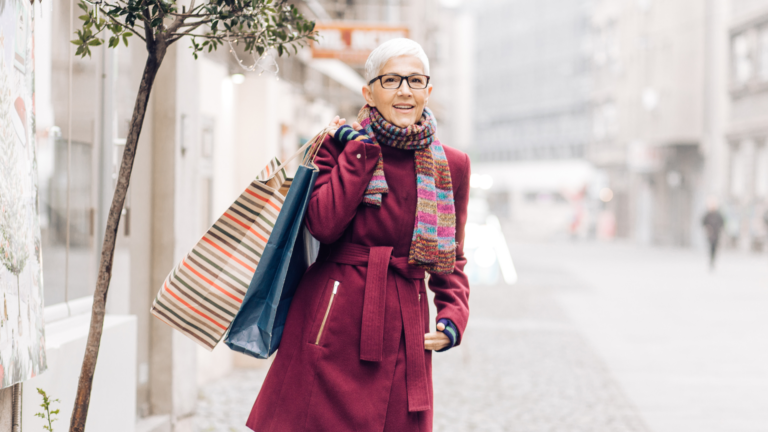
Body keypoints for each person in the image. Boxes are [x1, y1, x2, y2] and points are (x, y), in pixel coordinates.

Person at [245, 38, 471, 432]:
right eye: (392, 80)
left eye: (415, 80)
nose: (405, 91)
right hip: (333, 316)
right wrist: (359, 156)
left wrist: (453, 316)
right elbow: (323, 224)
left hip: (404, 323)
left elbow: (450, 255)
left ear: (428, 91)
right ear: (368, 92)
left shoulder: (452, 165)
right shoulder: (339, 146)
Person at [702, 198, 725, 270]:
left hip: (717, 234)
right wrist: (707, 228)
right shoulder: (707, 214)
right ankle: (711, 260)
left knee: (714, 248)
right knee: (710, 247)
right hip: (710, 234)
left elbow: (722, 223)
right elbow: (703, 222)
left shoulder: (718, 215)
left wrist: (719, 229)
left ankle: (713, 260)